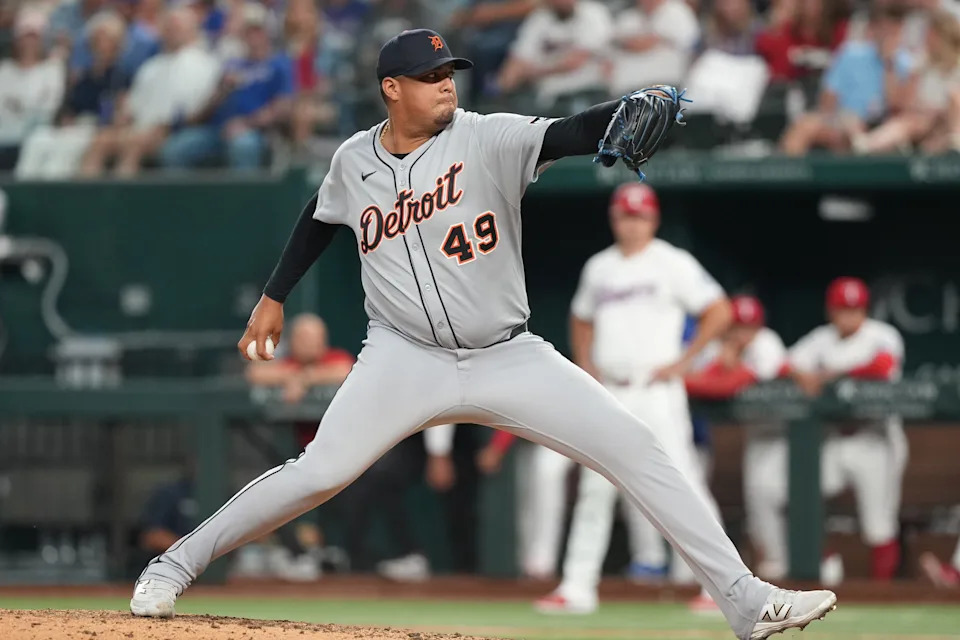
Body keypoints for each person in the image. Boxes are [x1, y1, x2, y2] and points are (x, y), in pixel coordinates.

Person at [129, 27, 837, 640]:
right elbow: (321, 212)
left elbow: (568, 132)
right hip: (403, 356)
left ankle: (746, 603)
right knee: (316, 474)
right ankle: (175, 565)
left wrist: (619, 112)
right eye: (430, 78)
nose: (445, 87)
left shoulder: (487, 137)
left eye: (449, 74)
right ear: (391, 90)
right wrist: (274, 296)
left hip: (506, 355)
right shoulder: (355, 159)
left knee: (635, 446)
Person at [534, 182, 731, 615]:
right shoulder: (600, 267)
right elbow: (581, 317)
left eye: (640, 215)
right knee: (595, 488)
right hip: (611, 391)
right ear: (614, 218)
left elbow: (720, 311)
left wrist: (685, 362)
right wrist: (585, 361)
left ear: (654, 219)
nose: (633, 223)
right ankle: (577, 587)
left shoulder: (672, 262)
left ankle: (723, 586)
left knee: (685, 485)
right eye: (626, 214)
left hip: (656, 388)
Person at [788, 276, 908, 581]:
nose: (849, 315)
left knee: (878, 522)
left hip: (876, 438)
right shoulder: (821, 338)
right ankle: (824, 568)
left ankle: (882, 593)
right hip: (835, 438)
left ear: (865, 309)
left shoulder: (882, 335)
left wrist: (829, 375)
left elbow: (881, 368)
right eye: (842, 309)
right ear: (831, 310)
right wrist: (802, 375)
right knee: (807, 499)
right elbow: (786, 363)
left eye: (855, 309)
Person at [684, 295, 791, 580]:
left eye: (750, 327)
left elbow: (728, 386)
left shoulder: (767, 343)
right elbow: (701, 379)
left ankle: (790, 567)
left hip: (789, 435)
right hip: (759, 435)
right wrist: (719, 363)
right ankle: (774, 567)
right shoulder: (721, 346)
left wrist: (681, 377)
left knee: (772, 495)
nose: (744, 334)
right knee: (759, 499)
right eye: (738, 327)